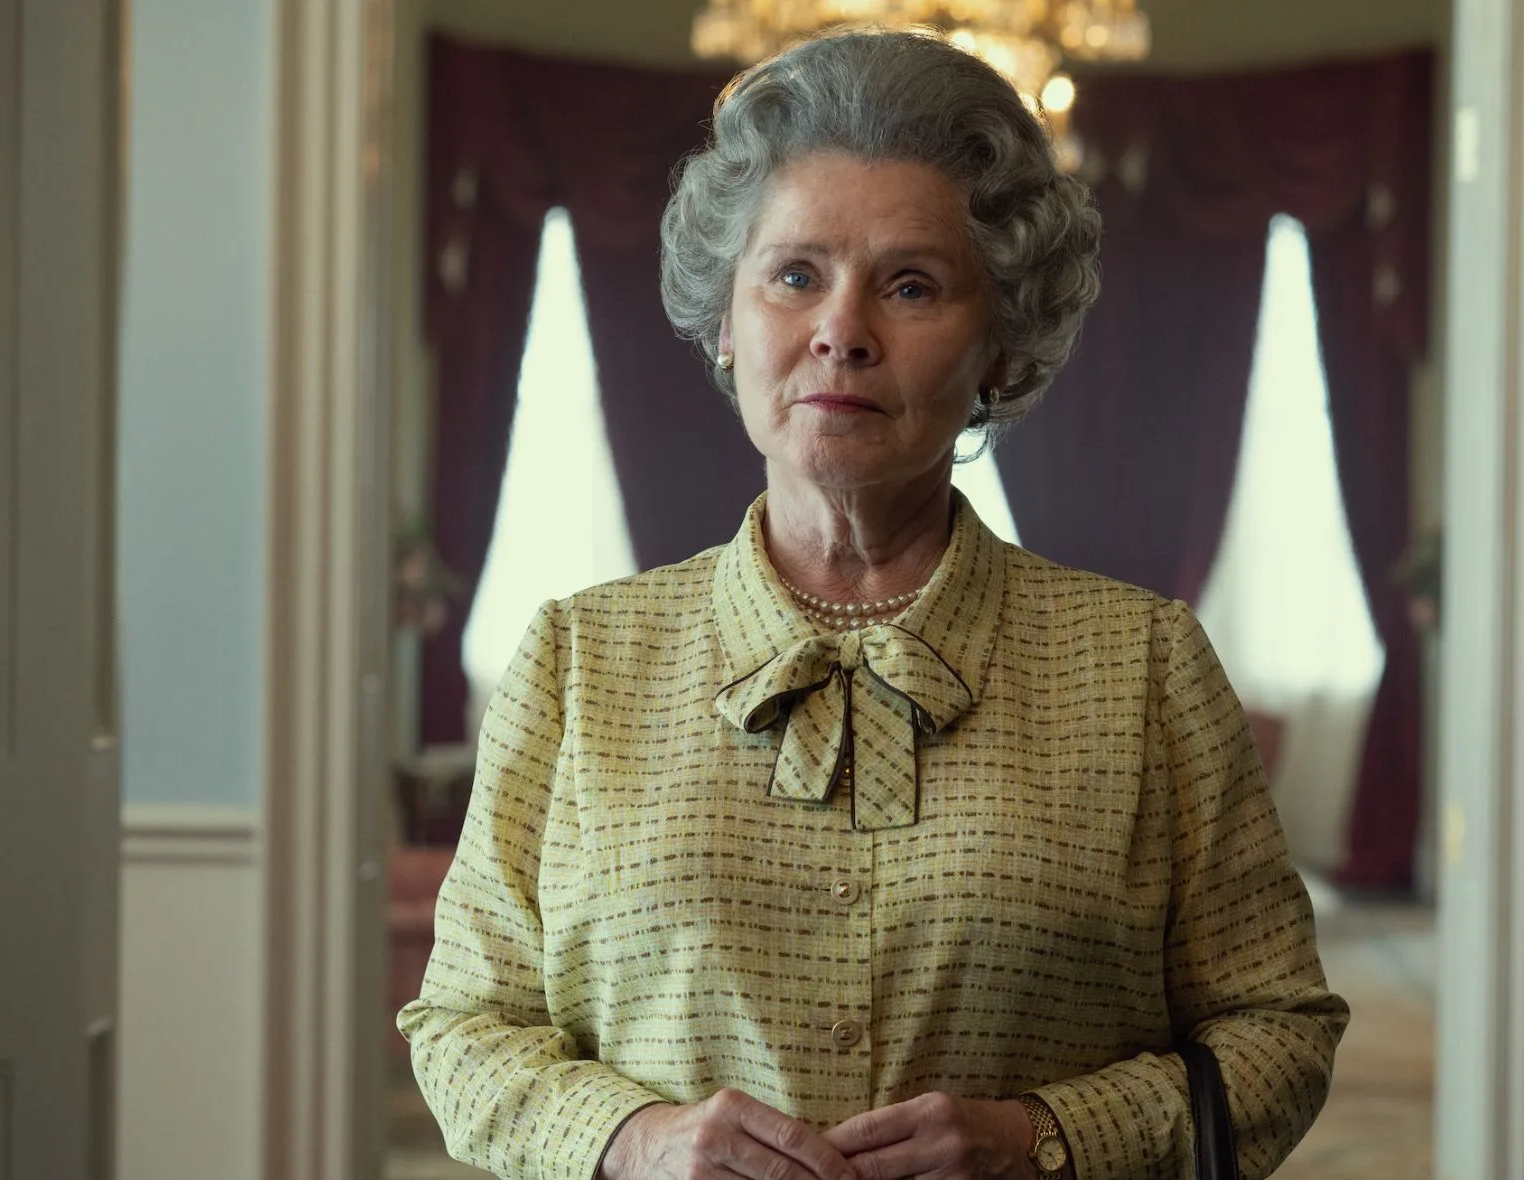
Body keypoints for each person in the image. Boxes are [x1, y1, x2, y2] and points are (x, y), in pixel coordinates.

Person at [400, 28, 1347, 1180]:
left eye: (910, 285)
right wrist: (634, 1142)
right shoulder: (576, 659)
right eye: (795, 275)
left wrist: (1044, 1141)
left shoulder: (1146, 663)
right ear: (727, 322)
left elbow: (1278, 1031)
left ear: (999, 345)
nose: (841, 331)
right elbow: (461, 1031)